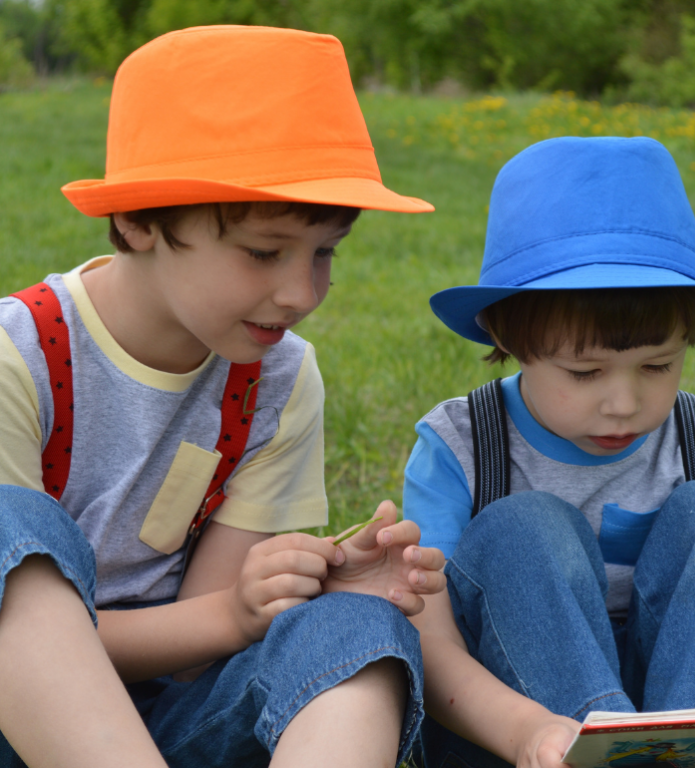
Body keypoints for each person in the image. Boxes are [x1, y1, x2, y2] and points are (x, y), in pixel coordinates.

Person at [0, 25, 447, 768]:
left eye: (324, 253)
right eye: (264, 252)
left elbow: (194, 653)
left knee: (358, 629)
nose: (302, 293)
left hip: (173, 718)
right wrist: (231, 613)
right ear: (140, 218)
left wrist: (285, 594)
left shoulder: (277, 378)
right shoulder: (17, 356)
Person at [402, 136, 695, 768]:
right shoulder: (458, 446)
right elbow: (429, 641)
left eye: (657, 365)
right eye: (584, 372)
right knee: (523, 525)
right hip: (520, 725)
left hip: (694, 703)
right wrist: (529, 733)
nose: (623, 403)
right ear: (505, 334)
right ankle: (593, 750)